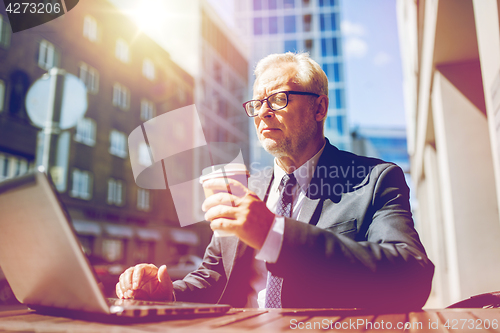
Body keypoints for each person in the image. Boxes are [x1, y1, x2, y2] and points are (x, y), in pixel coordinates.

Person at [116, 52, 434, 310]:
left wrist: (274, 235)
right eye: (256, 104)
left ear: (319, 107)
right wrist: (167, 293)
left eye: (279, 99)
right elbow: (214, 276)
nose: (264, 113)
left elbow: (411, 276)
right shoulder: (247, 188)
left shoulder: (374, 180)